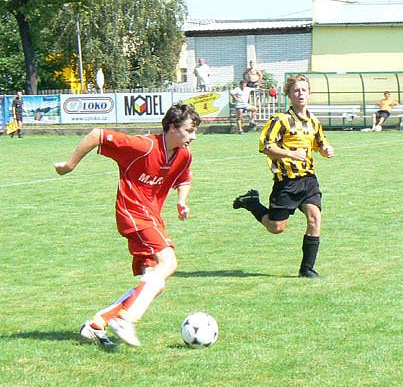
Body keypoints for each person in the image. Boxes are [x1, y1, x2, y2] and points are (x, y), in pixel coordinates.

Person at [53, 104, 201, 348]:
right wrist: (69, 165)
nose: (193, 136)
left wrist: (182, 201)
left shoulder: (183, 155)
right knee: (169, 263)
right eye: (189, 130)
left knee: (154, 282)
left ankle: (98, 323)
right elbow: (97, 135)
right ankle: (127, 318)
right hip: (133, 214)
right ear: (172, 127)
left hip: (153, 218)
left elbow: (184, 177)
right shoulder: (143, 146)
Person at [233, 74, 335, 278]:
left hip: (308, 180)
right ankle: (252, 202)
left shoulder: (314, 121)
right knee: (276, 227)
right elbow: (266, 146)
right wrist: (289, 153)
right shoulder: (280, 120)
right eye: (296, 90)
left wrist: (325, 150)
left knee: (315, 218)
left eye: (304, 90)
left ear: (309, 93)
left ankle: (307, 269)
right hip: (286, 183)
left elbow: (320, 143)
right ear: (289, 94)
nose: (300, 94)